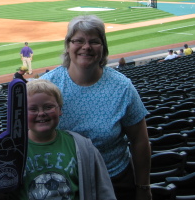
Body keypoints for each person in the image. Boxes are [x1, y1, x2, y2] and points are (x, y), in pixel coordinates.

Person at [40, 15, 151, 200]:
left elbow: (140, 141)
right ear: (68, 46)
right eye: (78, 41)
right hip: (61, 184)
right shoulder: (47, 85)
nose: (86, 47)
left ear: (103, 48)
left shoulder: (122, 87)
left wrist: (143, 187)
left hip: (115, 180)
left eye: (94, 41)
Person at [10, 79, 115, 200]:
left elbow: (104, 190)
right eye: (33, 109)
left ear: (60, 110)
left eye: (48, 107)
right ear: (22, 114)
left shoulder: (81, 146)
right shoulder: (12, 150)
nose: (41, 113)